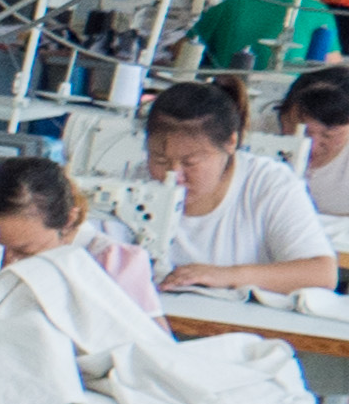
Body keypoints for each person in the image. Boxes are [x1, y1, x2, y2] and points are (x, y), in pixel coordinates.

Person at [138, 76, 338, 296]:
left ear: (231, 143)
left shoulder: (268, 183)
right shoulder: (136, 182)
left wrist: (226, 275)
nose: (173, 175)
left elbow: (322, 273)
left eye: (190, 162)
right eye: (159, 160)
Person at [0, 149, 163, 320]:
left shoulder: (115, 265)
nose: (6, 265)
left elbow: (155, 345)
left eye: (24, 252)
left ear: (68, 221)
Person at [183, 0, 340, 75]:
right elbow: (332, 65)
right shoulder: (319, 12)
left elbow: (183, 50)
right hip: (294, 97)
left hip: (230, 94)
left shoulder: (230, 5)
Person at [283, 62, 349, 224]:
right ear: (283, 115)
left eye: (328, 136)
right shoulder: (254, 128)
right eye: (302, 132)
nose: (311, 146)